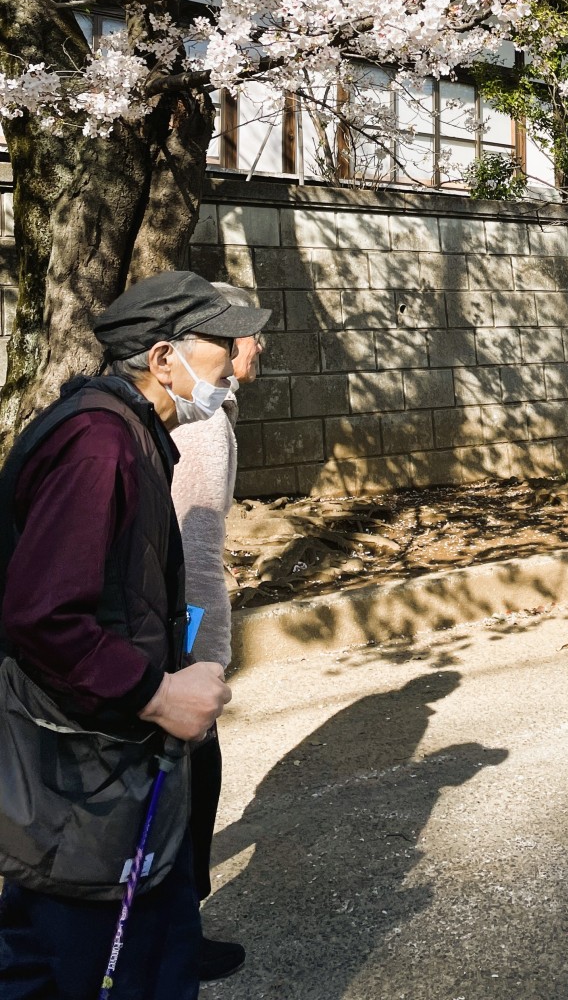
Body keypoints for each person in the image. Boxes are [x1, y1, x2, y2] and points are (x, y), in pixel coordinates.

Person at [0, 269, 270, 998]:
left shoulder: (133, 429)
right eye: (221, 346)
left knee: (134, 948)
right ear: (162, 358)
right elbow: (43, 616)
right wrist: (157, 694)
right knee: (88, 959)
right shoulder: (98, 443)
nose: (233, 365)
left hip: (107, 757)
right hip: (84, 766)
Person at [171, 282, 264, 984]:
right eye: (252, 336)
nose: (260, 347)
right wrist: (207, 656)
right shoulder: (205, 425)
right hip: (178, 632)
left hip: (166, 624)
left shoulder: (205, 412)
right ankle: (177, 934)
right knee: (186, 780)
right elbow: (196, 548)